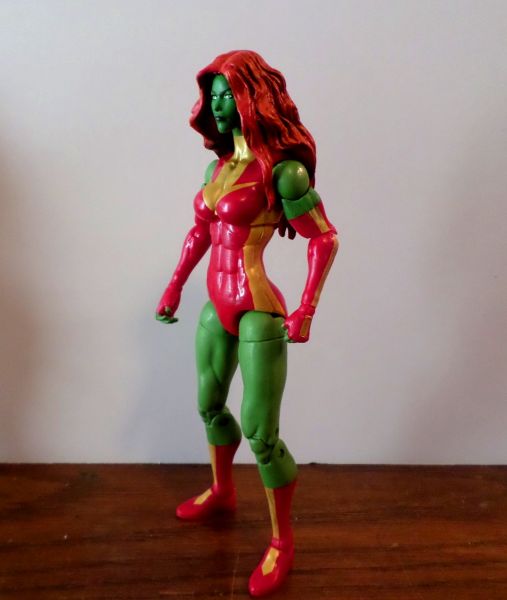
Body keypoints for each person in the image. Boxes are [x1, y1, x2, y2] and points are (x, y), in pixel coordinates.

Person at [156, 50, 338, 597]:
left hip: (257, 308)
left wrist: (306, 308)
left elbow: (324, 237)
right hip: (216, 305)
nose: (216, 104)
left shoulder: (283, 172)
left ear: (251, 98)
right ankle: (222, 491)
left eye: (226, 94)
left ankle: (282, 541)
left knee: (261, 434)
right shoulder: (216, 169)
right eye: (211, 94)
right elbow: (200, 233)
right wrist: (174, 284)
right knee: (209, 407)